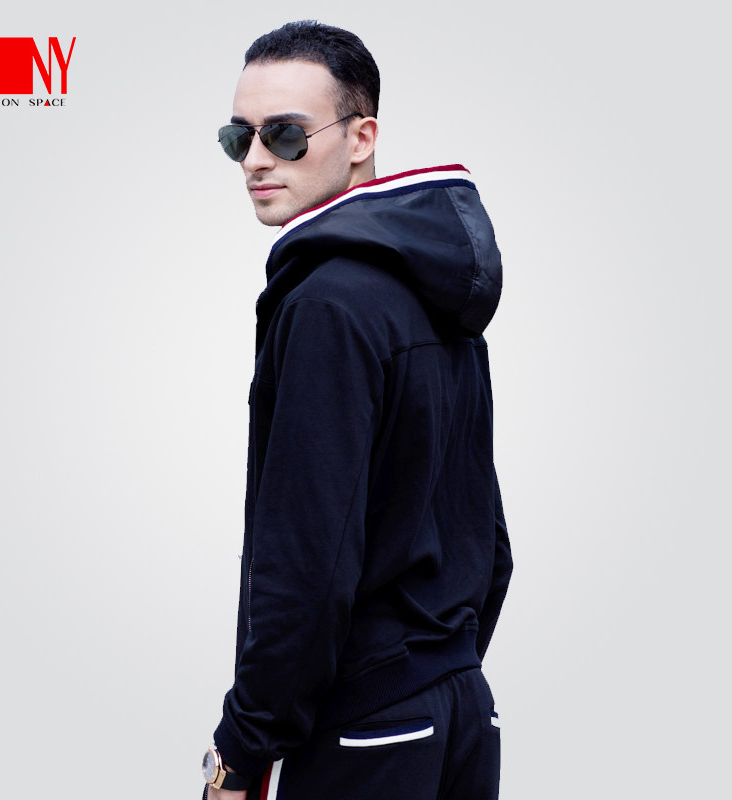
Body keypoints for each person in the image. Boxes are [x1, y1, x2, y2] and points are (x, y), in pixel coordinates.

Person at [201, 20, 512, 800]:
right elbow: (490, 540)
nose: (256, 159)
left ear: (362, 136)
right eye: (238, 137)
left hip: (364, 730)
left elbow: (306, 562)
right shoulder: (435, 290)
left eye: (284, 134)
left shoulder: (328, 304)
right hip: (462, 714)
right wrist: (436, 670)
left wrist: (241, 749)